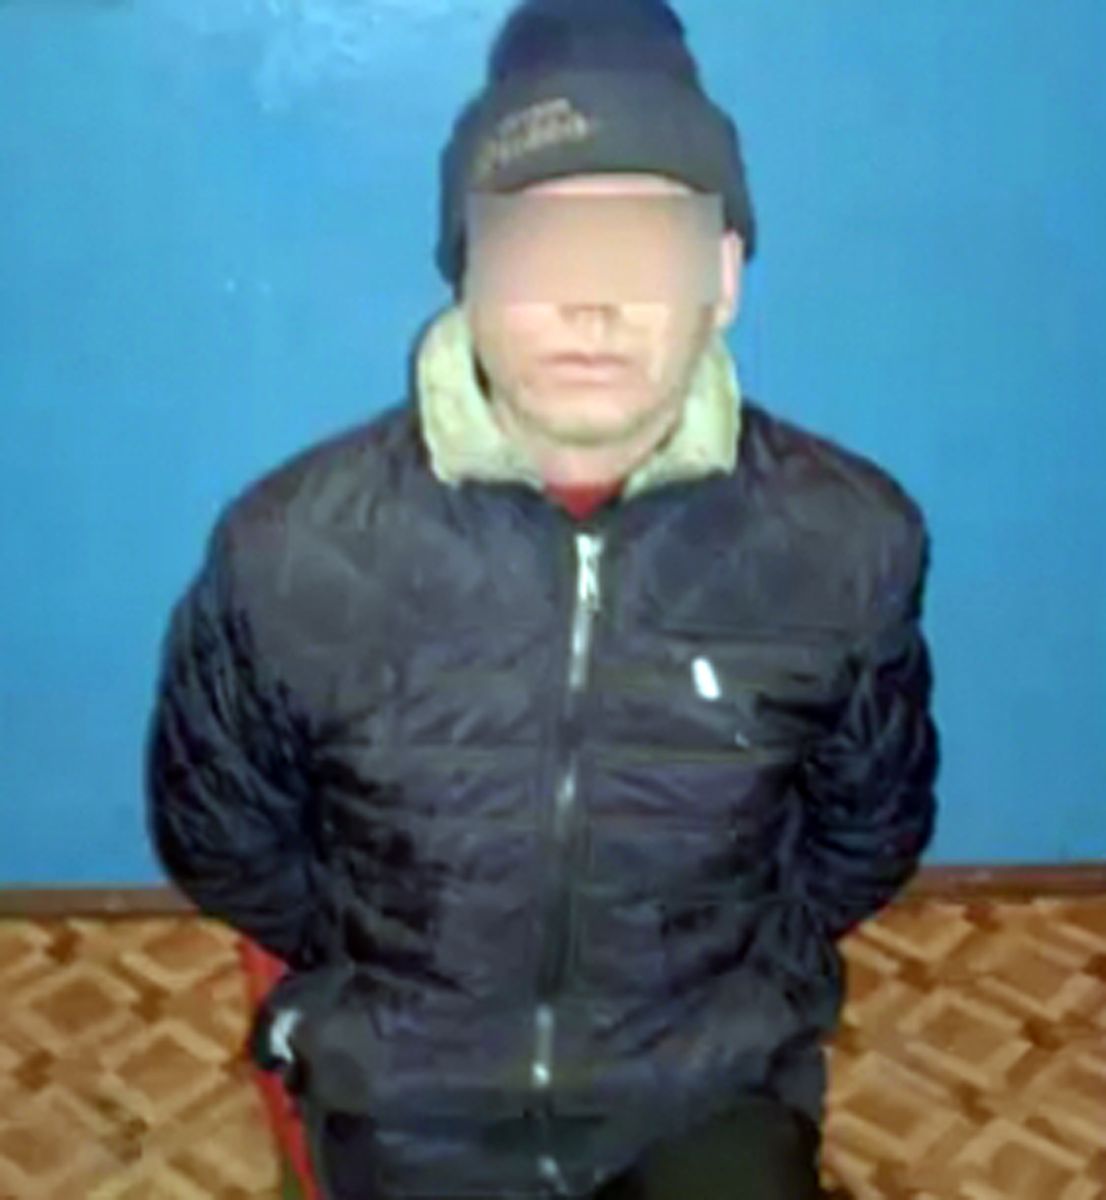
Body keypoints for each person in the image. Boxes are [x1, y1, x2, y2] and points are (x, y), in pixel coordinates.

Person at [144, 0, 940, 1197]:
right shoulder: (287, 548)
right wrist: (385, 980)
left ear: (722, 277)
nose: (590, 302)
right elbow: (221, 833)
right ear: (468, 269)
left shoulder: (846, 541)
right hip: (411, 1101)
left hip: (701, 1087)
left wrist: (735, 983)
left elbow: (867, 827)